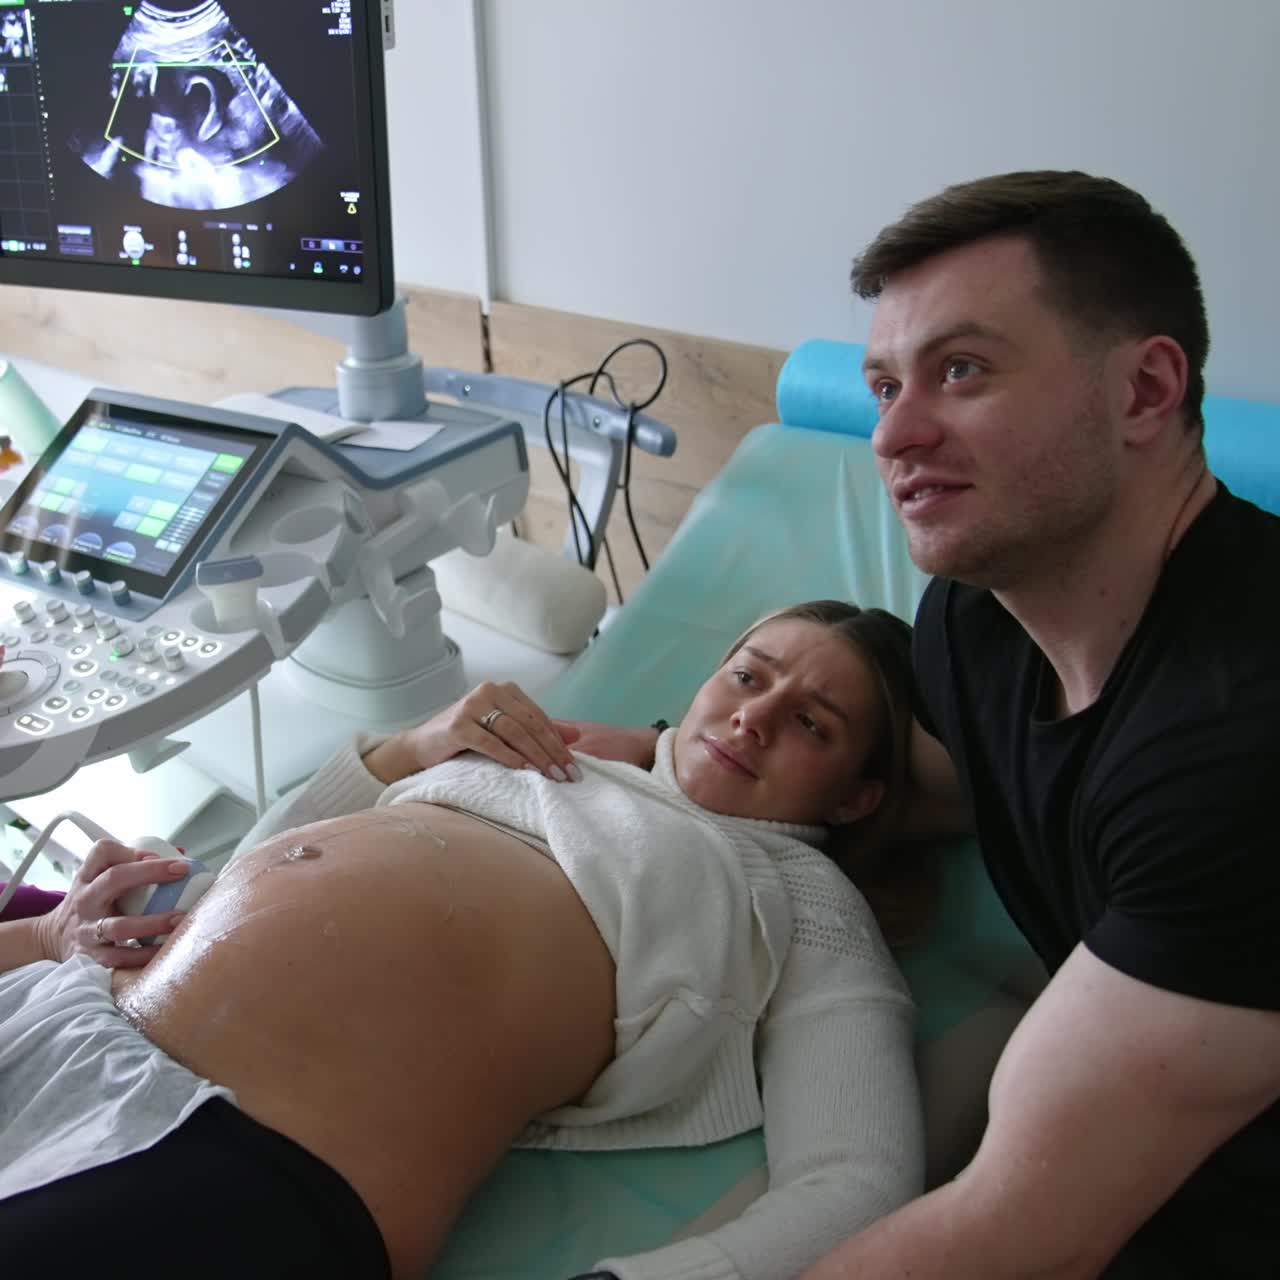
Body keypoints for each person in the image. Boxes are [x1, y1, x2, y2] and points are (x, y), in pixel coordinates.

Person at [575, 171, 1280, 1279]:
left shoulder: (1239, 745)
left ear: (1144, 391)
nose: (892, 433)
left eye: (960, 371)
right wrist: (645, 753)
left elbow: (1020, 1233)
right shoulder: (983, 615)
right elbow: (943, 779)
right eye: (880, 383)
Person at [0, 600, 926, 1280]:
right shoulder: (559, 751)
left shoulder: (805, 898)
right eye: (748, 675)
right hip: (69, 1017)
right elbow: (263, 854)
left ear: (857, 797)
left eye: (811, 723)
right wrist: (407, 751)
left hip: (243, 1157)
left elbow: (856, 1178)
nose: (753, 717)